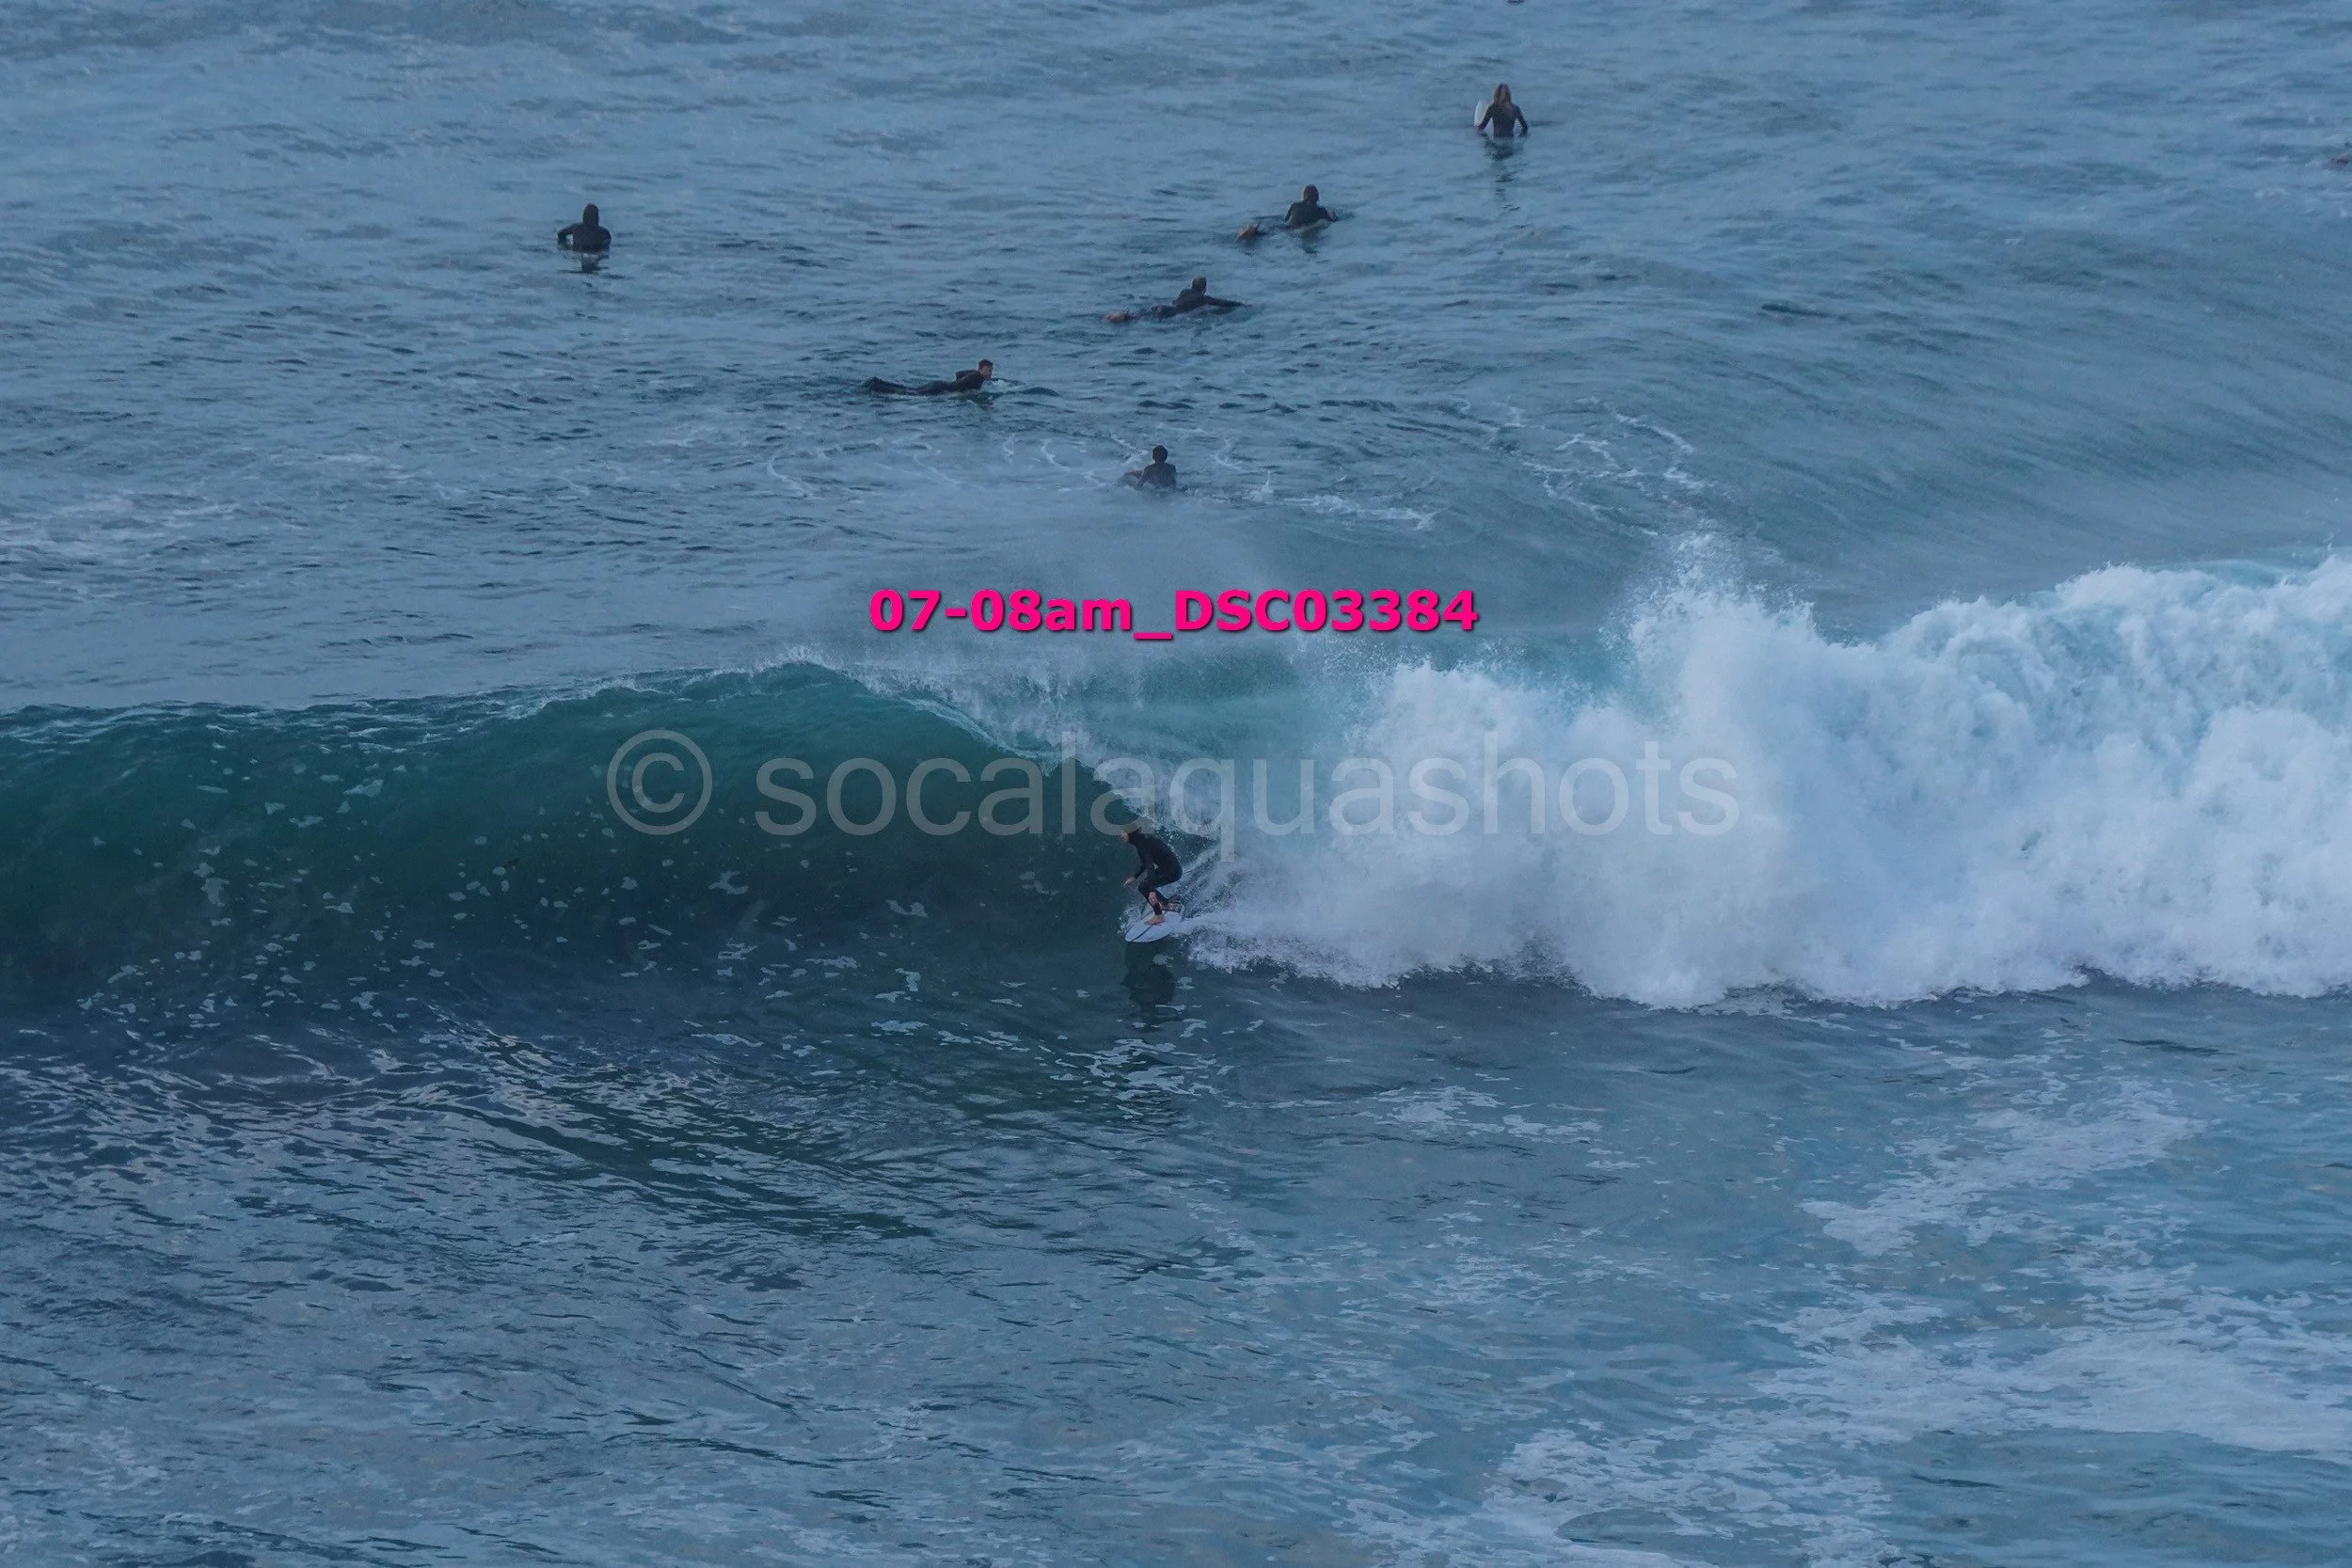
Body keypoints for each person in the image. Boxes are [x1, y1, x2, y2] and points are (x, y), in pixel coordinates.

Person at [1105, 277, 1244, 324]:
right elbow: (1223, 303)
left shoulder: (1184, 292)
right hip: (1173, 313)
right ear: (1205, 288)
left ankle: (1122, 316)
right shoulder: (1204, 298)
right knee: (1144, 319)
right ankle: (1124, 317)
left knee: (1142, 316)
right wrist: (1241, 305)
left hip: (1163, 307)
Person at [1121, 823, 1184, 924]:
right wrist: (1135, 876)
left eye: (1123, 832)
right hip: (1172, 869)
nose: (1121, 835)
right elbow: (1146, 862)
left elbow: (1150, 867)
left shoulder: (1142, 846)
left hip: (1172, 872)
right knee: (1147, 885)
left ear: (1130, 834)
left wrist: (1151, 891)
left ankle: (1159, 916)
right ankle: (1165, 903)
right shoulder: (1144, 840)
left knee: (1144, 887)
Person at [1239, 185, 1336, 240]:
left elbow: (1285, 220)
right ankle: (1254, 234)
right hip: (1297, 230)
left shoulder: (1295, 205)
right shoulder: (1321, 211)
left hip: (1286, 226)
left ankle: (1253, 232)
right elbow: (1334, 220)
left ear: (1303, 196)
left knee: (1272, 232)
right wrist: (1331, 213)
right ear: (1317, 198)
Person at [866, 359, 993, 395]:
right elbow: (965, 387)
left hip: (939, 384)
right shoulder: (977, 378)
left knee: (910, 389)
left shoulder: (973, 373)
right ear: (980, 369)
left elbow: (958, 374)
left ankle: (877, 383)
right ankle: (877, 387)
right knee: (909, 393)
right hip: (939, 389)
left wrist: (959, 385)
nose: (989, 374)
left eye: (991, 371)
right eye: (987, 371)